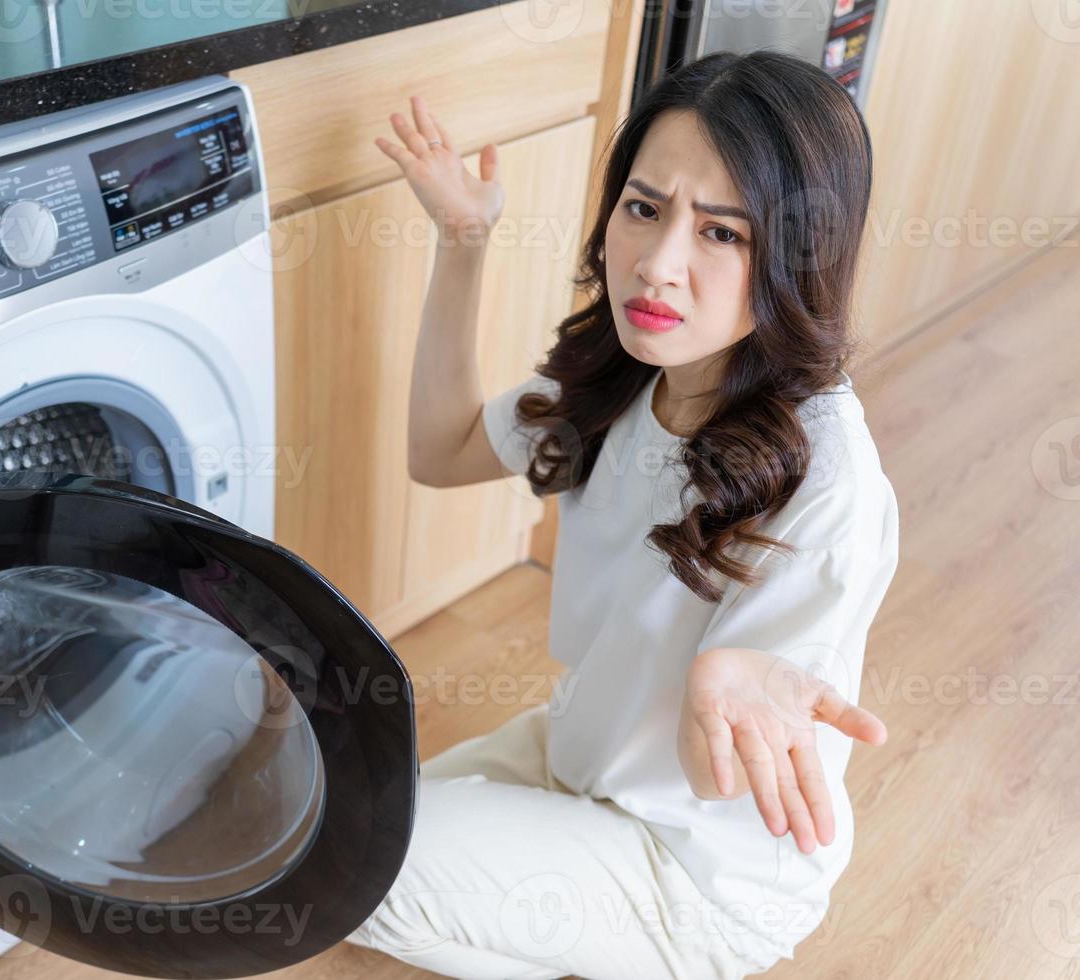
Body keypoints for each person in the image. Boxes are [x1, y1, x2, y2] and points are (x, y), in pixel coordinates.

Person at [346, 50, 900, 979]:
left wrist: (727, 674)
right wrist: (463, 242)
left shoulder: (830, 478)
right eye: (645, 209)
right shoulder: (631, 376)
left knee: (355, 869)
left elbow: (751, 724)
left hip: (692, 873)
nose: (659, 264)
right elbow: (438, 452)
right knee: (328, 822)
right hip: (581, 759)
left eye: (723, 234)